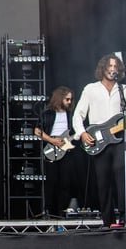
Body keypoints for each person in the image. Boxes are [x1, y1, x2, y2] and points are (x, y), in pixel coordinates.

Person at [72, 54, 126, 226]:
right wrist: (82, 133)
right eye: (110, 66)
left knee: (121, 178)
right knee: (103, 181)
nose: (112, 69)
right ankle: (108, 221)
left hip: (119, 140)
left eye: (116, 66)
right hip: (98, 141)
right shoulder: (91, 89)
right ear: (103, 68)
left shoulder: (124, 90)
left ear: (119, 70)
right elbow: (78, 114)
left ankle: (124, 218)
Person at [34, 86, 79, 217]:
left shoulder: (71, 114)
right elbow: (37, 131)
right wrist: (52, 141)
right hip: (51, 148)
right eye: (67, 99)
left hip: (66, 149)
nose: (70, 102)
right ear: (59, 98)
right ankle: (50, 211)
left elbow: (75, 132)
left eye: (71, 99)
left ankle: (61, 211)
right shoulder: (47, 113)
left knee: (66, 182)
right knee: (52, 181)